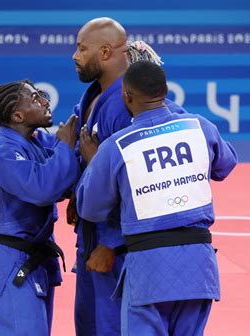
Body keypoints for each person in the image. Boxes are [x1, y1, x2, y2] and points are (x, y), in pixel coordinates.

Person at [76, 61, 238, 335]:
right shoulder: (200, 127)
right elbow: (226, 164)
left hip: (148, 271)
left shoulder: (116, 146)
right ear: (165, 91)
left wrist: (94, 165)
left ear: (126, 95)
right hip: (198, 268)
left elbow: (90, 209)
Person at [69, 17, 188, 336]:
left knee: (112, 327)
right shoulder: (95, 96)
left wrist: (110, 244)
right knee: (90, 325)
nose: (74, 56)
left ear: (105, 52)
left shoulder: (126, 108)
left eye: (81, 49)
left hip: (118, 245)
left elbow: (141, 184)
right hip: (91, 234)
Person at [0, 80, 79, 335]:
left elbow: (62, 177)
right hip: (9, 262)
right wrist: (65, 146)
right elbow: (42, 189)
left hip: (29, 260)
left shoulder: (36, 141)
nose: (44, 101)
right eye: (35, 98)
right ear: (17, 115)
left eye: (42, 94)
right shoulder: (1, 150)